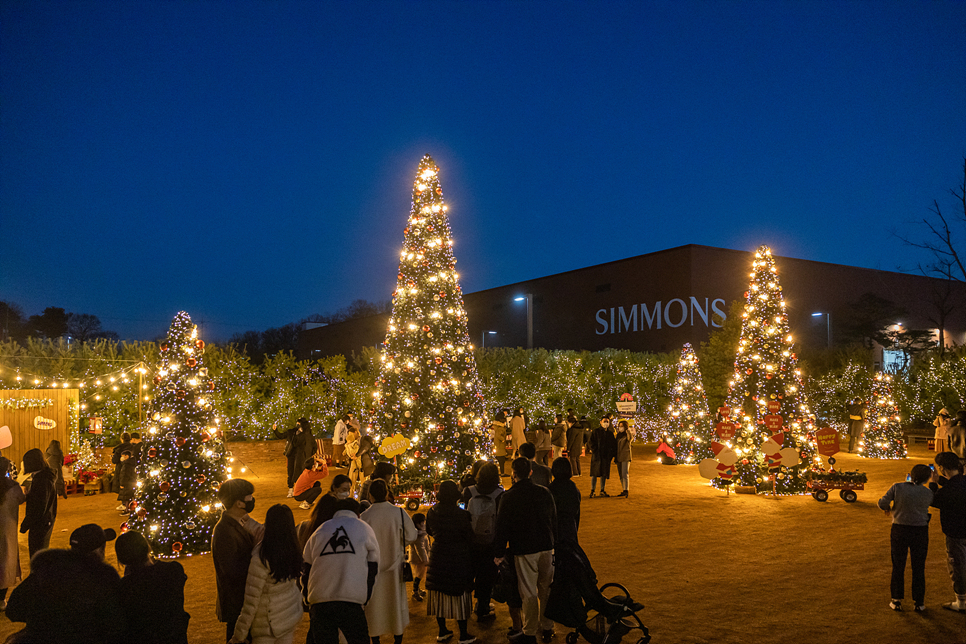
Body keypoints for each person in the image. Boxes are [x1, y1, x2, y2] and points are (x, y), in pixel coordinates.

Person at [493, 458, 557, 644]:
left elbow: (502, 526)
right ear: (530, 472)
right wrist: (556, 544)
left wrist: (498, 552)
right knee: (546, 588)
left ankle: (529, 631)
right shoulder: (544, 492)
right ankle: (547, 627)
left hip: (524, 548)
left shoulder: (509, 497)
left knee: (529, 592)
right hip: (546, 545)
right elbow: (554, 520)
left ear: (514, 473)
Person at [5, 546, 126, 643]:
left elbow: (13, 610)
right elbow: (114, 626)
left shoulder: (44, 572)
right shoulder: (104, 579)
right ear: (99, 550)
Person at [303, 498, 380, 644]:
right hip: (351, 600)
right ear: (357, 513)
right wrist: (366, 597)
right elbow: (373, 567)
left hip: (320, 600)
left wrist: (308, 597)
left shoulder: (321, 530)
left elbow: (306, 566)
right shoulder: (364, 529)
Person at [230, 504, 305, 644]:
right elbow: (257, 528)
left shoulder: (262, 557)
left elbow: (251, 601)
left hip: (267, 623)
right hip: (288, 615)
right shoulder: (293, 549)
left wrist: (239, 635)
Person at [361, 479, 417, 644]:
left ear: (370, 495)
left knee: (374, 605)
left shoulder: (365, 516)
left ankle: (376, 639)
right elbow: (412, 535)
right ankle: (397, 638)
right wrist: (399, 543)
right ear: (387, 493)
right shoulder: (398, 513)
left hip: (372, 568)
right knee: (395, 602)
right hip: (395, 566)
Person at [115, 530, 191, 644]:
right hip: (174, 637)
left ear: (122, 558)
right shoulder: (174, 570)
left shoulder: (124, 587)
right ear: (148, 547)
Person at [213, 478, 265, 641]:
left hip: (244, 599)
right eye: (249, 496)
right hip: (238, 601)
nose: (252, 499)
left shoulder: (241, 522)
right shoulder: (224, 531)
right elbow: (232, 569)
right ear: (238, 503)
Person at [426, 480, 477, 644]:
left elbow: (429, 530)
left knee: (439, 591)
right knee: (460, 594)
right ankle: (463, 634)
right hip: (458, 556)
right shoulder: (462, 515)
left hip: (438, 554)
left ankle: (442, 631)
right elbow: (469, 537)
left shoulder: (432, 512)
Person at [878, 463, 933, 612]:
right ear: (927, 478)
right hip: (920, 530)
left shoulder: (898, 487)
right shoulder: (928, 492)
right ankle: (919, 602)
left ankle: (896, 600)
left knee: (898, 564)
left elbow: (882, 502)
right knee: (918, 566)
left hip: (899, 529)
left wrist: (888, 508)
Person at [463, 462, 504, 620]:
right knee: (487, 575)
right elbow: (501, 519)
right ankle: (483, 606)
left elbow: (462, 513)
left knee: (469, 573)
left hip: (471, 541)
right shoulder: (500, 494)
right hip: (491, 541)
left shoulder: (468, 491)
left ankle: (464, 608)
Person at [930, 451, 966, 612]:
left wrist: (933, 484)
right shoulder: (962, 482)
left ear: (942, 468)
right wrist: (942, 481)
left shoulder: (945, 492)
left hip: (955, 532)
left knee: (957, 565)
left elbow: (934, 500)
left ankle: (961, 601)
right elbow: (956, 485)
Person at [297, 474, 353, 551]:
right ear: (334, 488)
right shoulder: (330, 503)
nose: (347, 493)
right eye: (344, 490)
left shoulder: (326, 499)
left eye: (348, 490)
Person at [20, 447, 57, 556]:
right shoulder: (45, 476)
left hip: (40, 524)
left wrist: (25, 525)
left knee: (37, 554)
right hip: (46, 520)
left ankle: (39, 573)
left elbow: (39, 506)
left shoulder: (42, 480)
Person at [0, 456, 25, 611]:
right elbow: (21, 498)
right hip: (7, 529)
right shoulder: (12, 486)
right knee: (6, 561)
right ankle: (1, 600)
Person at [275, 418, 316, 498]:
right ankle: (291, 489)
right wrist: (275, 430)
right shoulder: (292, 432)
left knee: (300, 473)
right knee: (291, 472)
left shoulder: (307, 435)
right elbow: (281, 436)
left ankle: (299, 489)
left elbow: (313, 446)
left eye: (299, 423)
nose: (298, 425)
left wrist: (308, 454)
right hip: (292, 455)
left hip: (301, 457)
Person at [588, 416, 617, 498]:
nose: (606, 423)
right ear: (600, 422)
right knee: (594, 473)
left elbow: (613, 445)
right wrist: (595, 451)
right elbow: (590, 442)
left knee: (604, 474)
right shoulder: (596, 432)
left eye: (607, 421)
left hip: (605, 457)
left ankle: (602, 490)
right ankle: (592, 490)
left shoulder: (610, 434)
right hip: (597, 456)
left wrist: (611, 455)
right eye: (604, 421)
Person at [409, 513, 430, 602]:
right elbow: (420, 549)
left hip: (420, 558)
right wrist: (425, 560)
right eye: (421, 522)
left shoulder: (420, 532)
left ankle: (417, 589)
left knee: (420, 574)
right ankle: (415, 591)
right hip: (419, 559)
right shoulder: (418, 535)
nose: (423, 523)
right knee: (419, 575)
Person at [614, 420, 633, 498]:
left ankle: (626, 490)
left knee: (625, 473)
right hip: (618, 457)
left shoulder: (627, 435)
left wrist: (628, 430)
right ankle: (623, 489)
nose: (620, 428)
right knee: (621, 475)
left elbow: (630, 438)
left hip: (625, 456)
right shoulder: (618, 435)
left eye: (622, 426)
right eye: (619, 426)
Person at [345, 427, 364, 493]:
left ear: (356, 432)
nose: (350, 436)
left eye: (351, 434)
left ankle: (364, 496)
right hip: (353, 461)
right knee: (351, 479)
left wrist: (357, 455)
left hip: (361, 462)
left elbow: (363, 449)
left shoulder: (361, 440)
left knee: (363, 481)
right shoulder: (350, 442)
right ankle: (350, 495)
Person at [491, 412, 509, 477]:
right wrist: (503, 440)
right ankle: (502, 473)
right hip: (500, 446)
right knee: (501, 460)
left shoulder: (497, 427)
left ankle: (500, 473)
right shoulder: (500, 427)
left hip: (498, 446)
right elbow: (499, 435)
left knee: (499, 460)